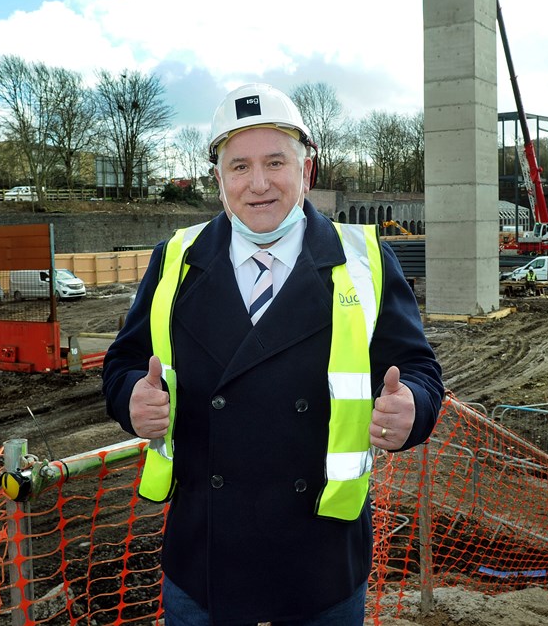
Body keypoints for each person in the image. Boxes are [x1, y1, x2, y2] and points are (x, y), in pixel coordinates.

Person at [103, 83, 444, 625]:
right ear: (218, 180)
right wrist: (131, 401)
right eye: (239, 167)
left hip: (322, 556)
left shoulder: (365, 259)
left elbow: (420, 371)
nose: (258, 184)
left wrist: (414, 411)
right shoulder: (176, 259)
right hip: (204, 557)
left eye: (275, 162)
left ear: (306, 171)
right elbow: (122, 366)